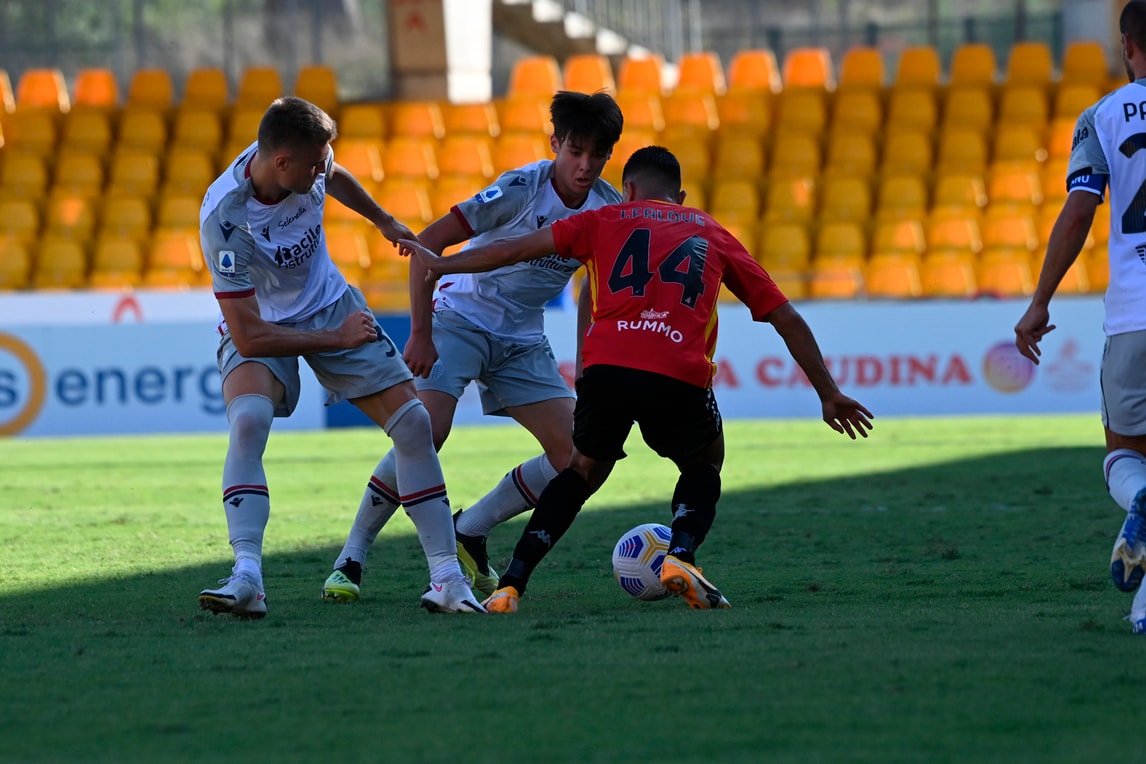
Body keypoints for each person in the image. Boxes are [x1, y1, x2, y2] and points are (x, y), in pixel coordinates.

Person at [399, 145, 875, 612]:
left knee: (580, 471)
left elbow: (514, 248)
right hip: (678, 373)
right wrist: (828, 393)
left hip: (607, 371)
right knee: (704, 464)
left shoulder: (601, 219)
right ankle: (681, 555)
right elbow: (785, 316)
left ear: (627, 189)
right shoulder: (712, 231)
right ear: (680, 197)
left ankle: (511, 585)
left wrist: (443, 264)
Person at [321, 91, 624, 602]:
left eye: (598, 155)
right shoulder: (520, 188)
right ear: (555, 144)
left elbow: (593, 289)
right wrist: (421, 332)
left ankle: (471, 529)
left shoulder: (608, 208)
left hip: (522, 339)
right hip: (459, 318)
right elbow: (428, 243)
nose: (585, 166)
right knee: (427, 431)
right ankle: (350, 558)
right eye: (575, 152)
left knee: (579, 456)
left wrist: (588, 362)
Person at [197, 96, 484, 618]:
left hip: (330, 302)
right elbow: (250, 338)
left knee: (415, 425)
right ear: (280, 162)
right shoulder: (225, 219)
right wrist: (337, 339)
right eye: (313, 165)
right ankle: (247, 577)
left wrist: (383, 220)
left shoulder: (308, 161)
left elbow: (336, 174)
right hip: (264, 321)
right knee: (249, 421)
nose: (321, 172)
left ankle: (446, 578)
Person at [1015, 0, 1146, 635]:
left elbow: (1078, 210)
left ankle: (1140, 507)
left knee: (1123, 458)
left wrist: (1040, 300)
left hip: (1133, 318)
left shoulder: (1101, 115)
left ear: (1127, 46)